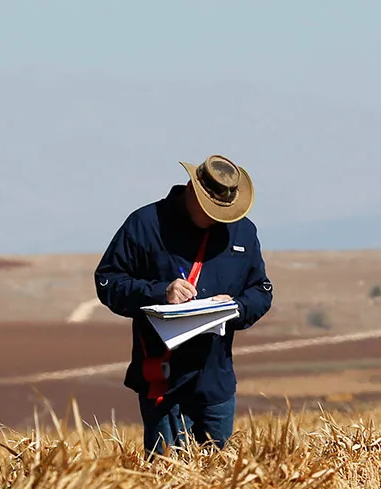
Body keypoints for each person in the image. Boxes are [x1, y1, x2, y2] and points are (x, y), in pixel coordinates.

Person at [94, 154, 273, 456]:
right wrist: (159, 292)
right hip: (163, 381)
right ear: (191, 189)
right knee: (167, 480)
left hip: (216, 382)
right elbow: (108, 281)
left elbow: (262, 291)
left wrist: (236, 307)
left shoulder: (243, 231)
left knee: (220, 482)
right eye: (209, 209)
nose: (216, 217)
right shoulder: (145, 224)